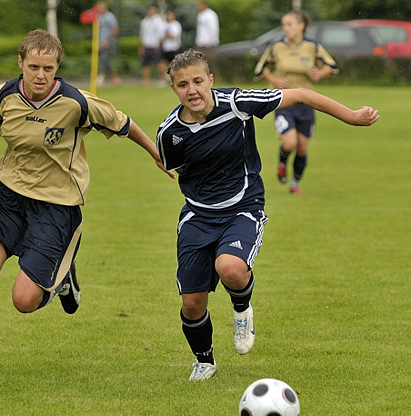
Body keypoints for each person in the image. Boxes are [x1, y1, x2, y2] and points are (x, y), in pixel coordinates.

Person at [0, 29, 173, 379]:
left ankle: (62, 281)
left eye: (48, 68)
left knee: (24, 301)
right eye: (33, 67)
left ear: (57, 67)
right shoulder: (4, 95)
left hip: (56, 206)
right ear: (21, 63)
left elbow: (123, 124)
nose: (41, 75)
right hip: (7, 198)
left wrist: (157, 154)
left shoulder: (76, 102)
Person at [156, 49, 378, 381]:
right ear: (173, 88)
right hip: (197, 217)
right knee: (192, 303)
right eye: (183, 84)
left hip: (243, 208)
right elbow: (173, 164)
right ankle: (204, 361)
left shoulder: (236, 103)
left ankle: (242, 307)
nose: (192, 90)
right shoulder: (170, 132)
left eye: (199, 81)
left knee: (230, 267)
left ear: (211, 81)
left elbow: (301, 93)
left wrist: (351, 116)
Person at [254, 11, 339, 194]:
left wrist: (320, 73)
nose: (286, 28)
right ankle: (283, 161)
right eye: (284, 25)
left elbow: (331, 67)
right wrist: (275, 81)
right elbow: (260, 70)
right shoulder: (276, 47)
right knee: (289, 143)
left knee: (302, 146)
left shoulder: (312, 46)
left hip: (307, 103)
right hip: (283, 101)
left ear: (301, 26)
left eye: (289, 24)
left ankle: (295, 183)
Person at [138, 4, 166, 85]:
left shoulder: (158, 21)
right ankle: (146, 82)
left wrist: (159, 44)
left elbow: (161, 33)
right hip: (147, 45)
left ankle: (164, 77)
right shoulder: (144, 21)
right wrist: (141, 46)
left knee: (157, 64)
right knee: (145, 64)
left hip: (154, 45)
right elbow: (142, 35)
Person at [96, 1, 122, 87]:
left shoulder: (109, 16)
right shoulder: (98, 16)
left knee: (104, 58)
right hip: (100, 42)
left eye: (100, 8)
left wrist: (108, 40)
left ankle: (101, 77)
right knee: (105, 60)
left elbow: (115, 29)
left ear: (105, 8)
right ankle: (115, 78)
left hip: (108, 42)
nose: (99, 9)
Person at [159, 10, 182, 78]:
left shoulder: (176, 25)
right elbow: (161, 36)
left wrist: (166, 35)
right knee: (163, 63)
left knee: (176, 64)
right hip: (166, 47)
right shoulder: (163, 24)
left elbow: (174, 36)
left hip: (174, 47)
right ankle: (163, 78)